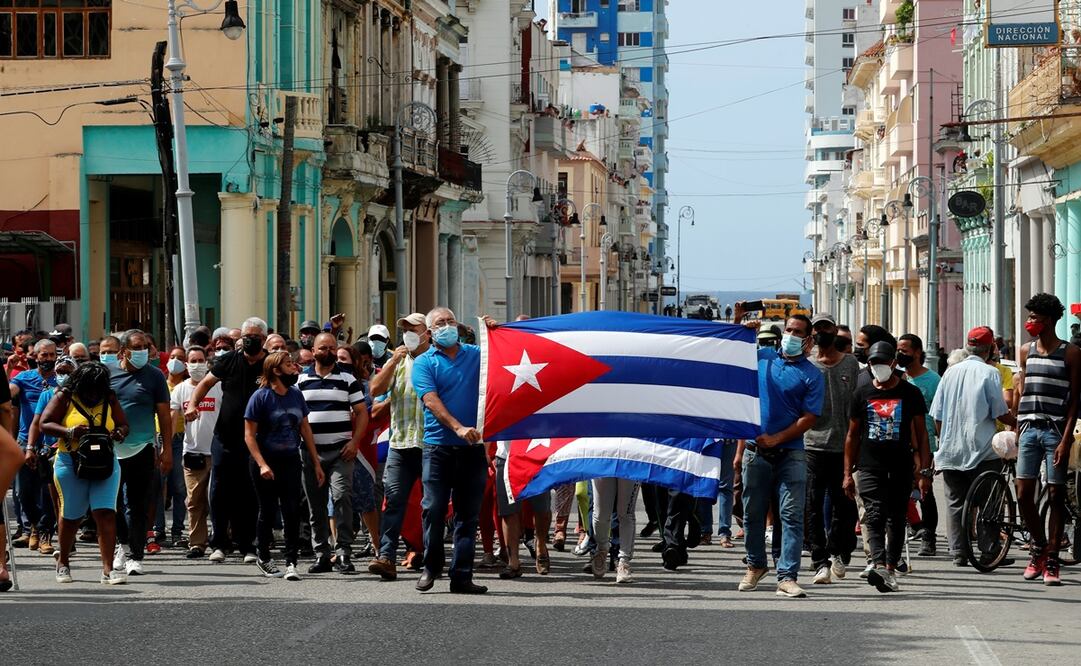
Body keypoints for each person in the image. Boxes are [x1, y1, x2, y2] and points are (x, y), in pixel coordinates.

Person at [733, 304, 824, 599]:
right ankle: (756, 565)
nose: (792, 336)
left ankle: (787, 576)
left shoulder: (812, 375)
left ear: (808, 340)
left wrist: (778, 438)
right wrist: (737, 325)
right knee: (752, 512)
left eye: (798, 333)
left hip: (791, 453)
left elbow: (809, 417)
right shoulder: (763, 358)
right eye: (789, 330)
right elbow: (728, 354)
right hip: (754, 451)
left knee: (791, 515)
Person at [410, 307, 491, 594]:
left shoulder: (476, 355)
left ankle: (462, 575)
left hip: (473, 448)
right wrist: (457, 427)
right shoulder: (423, 363)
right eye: (440, 323)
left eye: (451, 321)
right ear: (430, 333)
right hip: (438, 447)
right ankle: (431, 567)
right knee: (432, 509)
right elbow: (431, 400)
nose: (447, 326)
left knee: (468, 514)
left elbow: (504, 362)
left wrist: (496, 332)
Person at [843, 342, 932, 594]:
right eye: (873, 363)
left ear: (894, 363)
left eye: (883, 362)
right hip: (869, 466)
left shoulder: (910, 394)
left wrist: (924, 471)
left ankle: (890, 568)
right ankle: (878, 564)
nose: (878, 367)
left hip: (901, 466)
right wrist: (847, 473)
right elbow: (852, 436)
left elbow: (922, 435)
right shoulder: (861, 394)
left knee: (895, 517)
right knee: (874, 514)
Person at [929, 328, 1016, 567]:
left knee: (956, 502)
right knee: (988, 501)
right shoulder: (990, 373)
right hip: (983, 450)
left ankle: (958, 552)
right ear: (990, 349)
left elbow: (937, 414)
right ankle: (988, 551)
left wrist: (944, 440)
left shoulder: (950, 373)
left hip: (951, 450)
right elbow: (1000, 412)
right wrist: (1018, 423)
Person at [186, 317, 268, 564]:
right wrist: (192, 405)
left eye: (254, 336)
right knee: (219, 491)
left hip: (256, 440)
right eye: (245, 336)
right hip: (225, 438)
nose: (249, 340)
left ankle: (248, 545)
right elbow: (205, 383)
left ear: (264, 339)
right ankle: (219, 543)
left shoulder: (269, 364)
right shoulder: (228, 360)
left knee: (249, 493)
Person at [40, 362, 131, 584]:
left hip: (105, 463)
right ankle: (63, 562)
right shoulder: (65, 396)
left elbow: (123, 424)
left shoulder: (109, 397)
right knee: (71, 516)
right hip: (70, 463)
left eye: (97, 388)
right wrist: (69, 431)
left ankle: (108, 570)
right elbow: (45, 423)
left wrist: (119, 432)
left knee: (106, 513)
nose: (93, 393)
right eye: (90, 388)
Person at [1015, 294, 1081, 585]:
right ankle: (1038, 546)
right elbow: (1024, 389)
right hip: (1028, 427)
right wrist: (1016, 427)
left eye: (1036, 319)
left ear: (1051, 321)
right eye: (1029, 318)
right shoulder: (1024, 351)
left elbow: (1075, 401)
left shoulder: (1071, 353)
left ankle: (1052, 558)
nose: (1030, 323)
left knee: (1055, 494)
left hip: (1055, 431)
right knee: (1023, 493)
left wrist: (1066, 440)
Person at [243, 351, 325, 580]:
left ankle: (291, 562)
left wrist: (316, 462)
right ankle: (264, 556)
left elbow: (305, 429)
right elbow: (249, 436)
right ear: (276, 371)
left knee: (291, 510)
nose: (295, 368)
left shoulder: (296, 395)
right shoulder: (260, 397)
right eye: (289, 365)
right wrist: (261, 464)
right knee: (267, 511)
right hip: (265, 461)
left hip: (290, 459)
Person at [298, 332, 368, 575]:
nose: (326, 352)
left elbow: (361, 413)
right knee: (315, 505)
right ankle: (322, 554)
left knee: (341, 498)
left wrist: (355, 442)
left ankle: (344, 553)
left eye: (331, 348)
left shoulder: (348, 379)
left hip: (341, 452)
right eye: (322, 348)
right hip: (310, 453)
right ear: (313, 350)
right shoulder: (300, 381)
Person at [367, 313, 430, 581]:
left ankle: (429, 553)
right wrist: (392, 361)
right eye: (404, 329)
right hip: (400, 444)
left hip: (430, 445)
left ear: (426, 333)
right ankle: (387, 556)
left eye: (413, 329)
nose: (408, 334)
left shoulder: (434, 360)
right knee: (393, 502)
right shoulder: (398, 362)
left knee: (431, 505)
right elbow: (374, 390)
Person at [107, 330, 172, 576]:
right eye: (137, 347)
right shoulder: (108, 374)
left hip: (143, 448)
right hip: (111, 451)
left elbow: (164, 416)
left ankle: (136, 554)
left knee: (137, 505)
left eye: (145, 346)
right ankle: (122, 545)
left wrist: (166, 450)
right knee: (112, 505)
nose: (144, 351)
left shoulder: (155, 377)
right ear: (123, 352)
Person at [803, 313, 860, 585]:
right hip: (813, 445)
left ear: (835, 330)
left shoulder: (851, 364)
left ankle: (840, 550)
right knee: (812, 505)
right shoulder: (808, 365)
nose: (821, 333)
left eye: (826, 327)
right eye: (817, 329)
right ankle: (819, 560)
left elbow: (858, 405)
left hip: (845, 446)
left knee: (844, 506)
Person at [170, 346, 221, 559]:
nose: (197, 364)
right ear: (186, 364)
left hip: (217, 451)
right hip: (192, 452)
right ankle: (197, 543)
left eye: (201, 360)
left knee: (217, 499)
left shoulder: (218, 387)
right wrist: (166, 446)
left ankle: (220, 540)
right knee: (194, 500)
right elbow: (172, 417)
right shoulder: (180, 389)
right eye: (193, 360)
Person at [9, 339, 59, 554]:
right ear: (35, 357)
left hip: (53, 443)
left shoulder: (63, 380)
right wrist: (9, 369)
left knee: (49, 492)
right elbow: (7, 394)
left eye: (51, 355)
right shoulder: (24, 378)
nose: (48, 359)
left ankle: (45, 533)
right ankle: (34, 527)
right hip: (25, 442)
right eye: (44, 355)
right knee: (23, 492)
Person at [896, 333, 941, 557]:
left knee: (925, 491)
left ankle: (929, 537)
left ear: (917, 352)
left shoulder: (933, 380)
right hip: (902, 443)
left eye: (904, 350)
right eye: (898, 350)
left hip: (926, 444)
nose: (900, 354)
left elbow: (940, 415)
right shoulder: (899, 379)